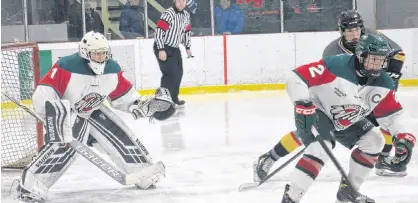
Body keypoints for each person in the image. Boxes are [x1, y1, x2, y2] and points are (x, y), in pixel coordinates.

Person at [16, 31, 176, 202]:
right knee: (65, 141)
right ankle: (32, 183)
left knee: (118, 133)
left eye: (103, 53)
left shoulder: (112, 70)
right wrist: (56, 117)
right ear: (85, 53)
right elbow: (43, 95)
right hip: (68, 118)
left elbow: (124, 97)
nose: (101, 57)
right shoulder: (66, 66)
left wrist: (145, 106)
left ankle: (141, 171)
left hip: (92, 113)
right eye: (96, 53)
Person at [253, 34, 415, 203]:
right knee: (322, 148)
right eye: (373, 59)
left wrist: (403, 137)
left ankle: (348, 192)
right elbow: (295, 77)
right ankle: (291, 197)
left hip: (345, 119)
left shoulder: (384, 83)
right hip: (317, 111)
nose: (377, 65)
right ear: (360, 55)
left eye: (381, 60)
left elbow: (393, 115)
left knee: (375, 141)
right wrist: (301, 103)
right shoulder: (336, 65)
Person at [323, 10, 407, 176]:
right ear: (342, 31)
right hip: (352, 93)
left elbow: (398, 53)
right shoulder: (332, 51)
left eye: (357, 30)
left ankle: (383, 159)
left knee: (386, 120)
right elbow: (329, 80)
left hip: (377, 85)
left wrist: (392, 76)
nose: (355, 35)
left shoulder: (372, 37)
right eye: (349, 31)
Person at [154, 0, 193, 108]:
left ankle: (174, 99)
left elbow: (186, 32)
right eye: (179, 0)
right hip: (163, 46)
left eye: (183, 1)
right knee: (170, 74)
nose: (181, 3)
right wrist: (161, 49)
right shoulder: (168, 14)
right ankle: (163, 101)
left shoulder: (186, 15)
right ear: (175, 1)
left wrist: (188, 47)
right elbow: (159, 32)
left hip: (174, 48)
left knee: (178, 73)